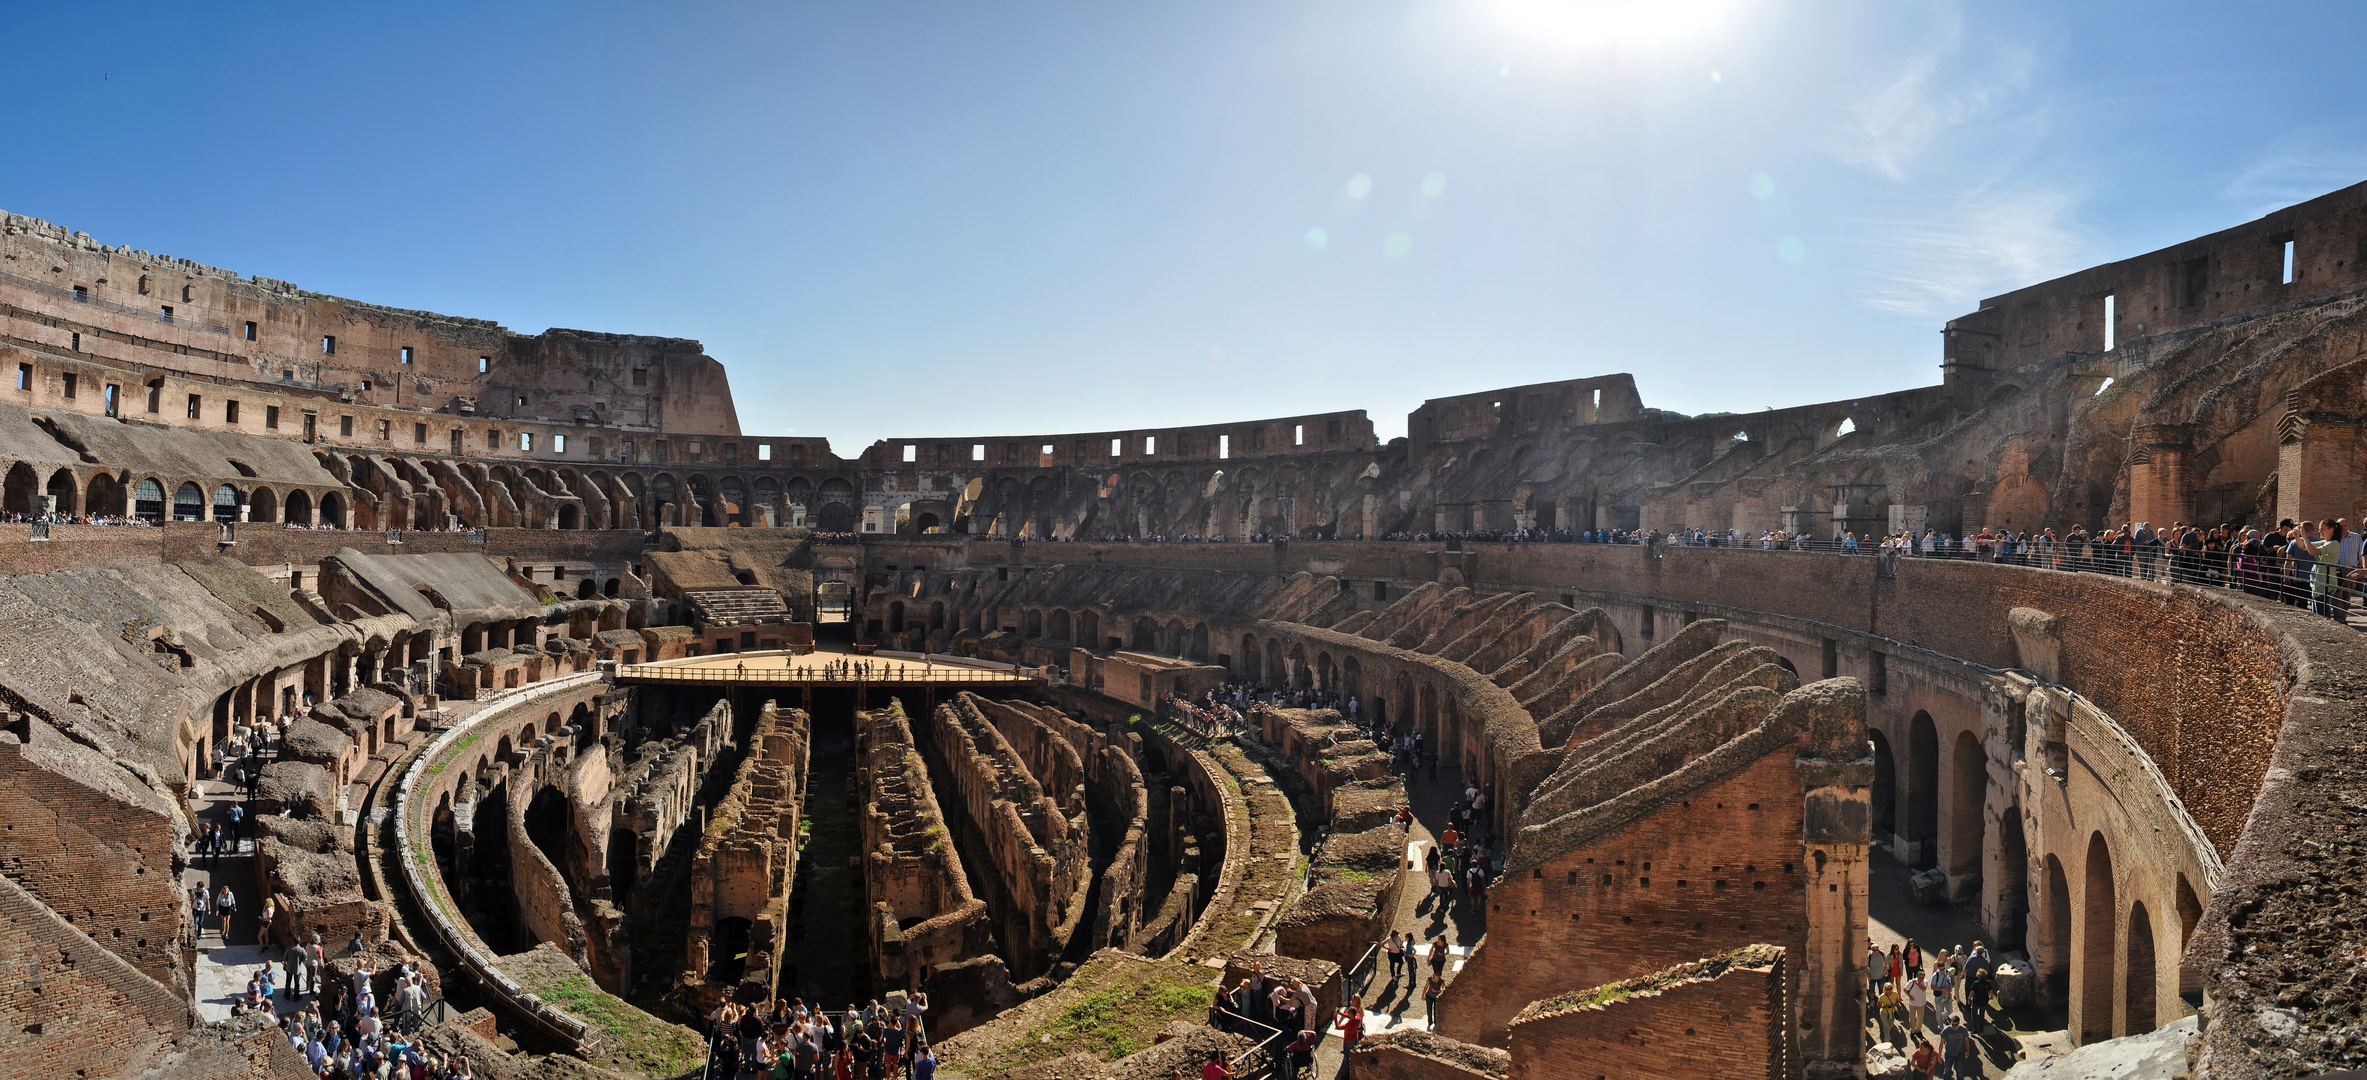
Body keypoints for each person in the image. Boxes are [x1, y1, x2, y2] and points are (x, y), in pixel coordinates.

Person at [1940, 1014, 1974, 1078]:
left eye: (1955, 1025)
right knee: (1947, 1071)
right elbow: (1941, 1043)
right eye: (1952, 1024)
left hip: (1959, 1054)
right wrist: (1939, 1056)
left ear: (1958, 1023)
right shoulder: (1946, 1030)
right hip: (1949, 1054)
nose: (1953, 1026)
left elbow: (1966, 1041)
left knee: (1960, 1072)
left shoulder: (1963, 1030)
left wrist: (1968, 1051)